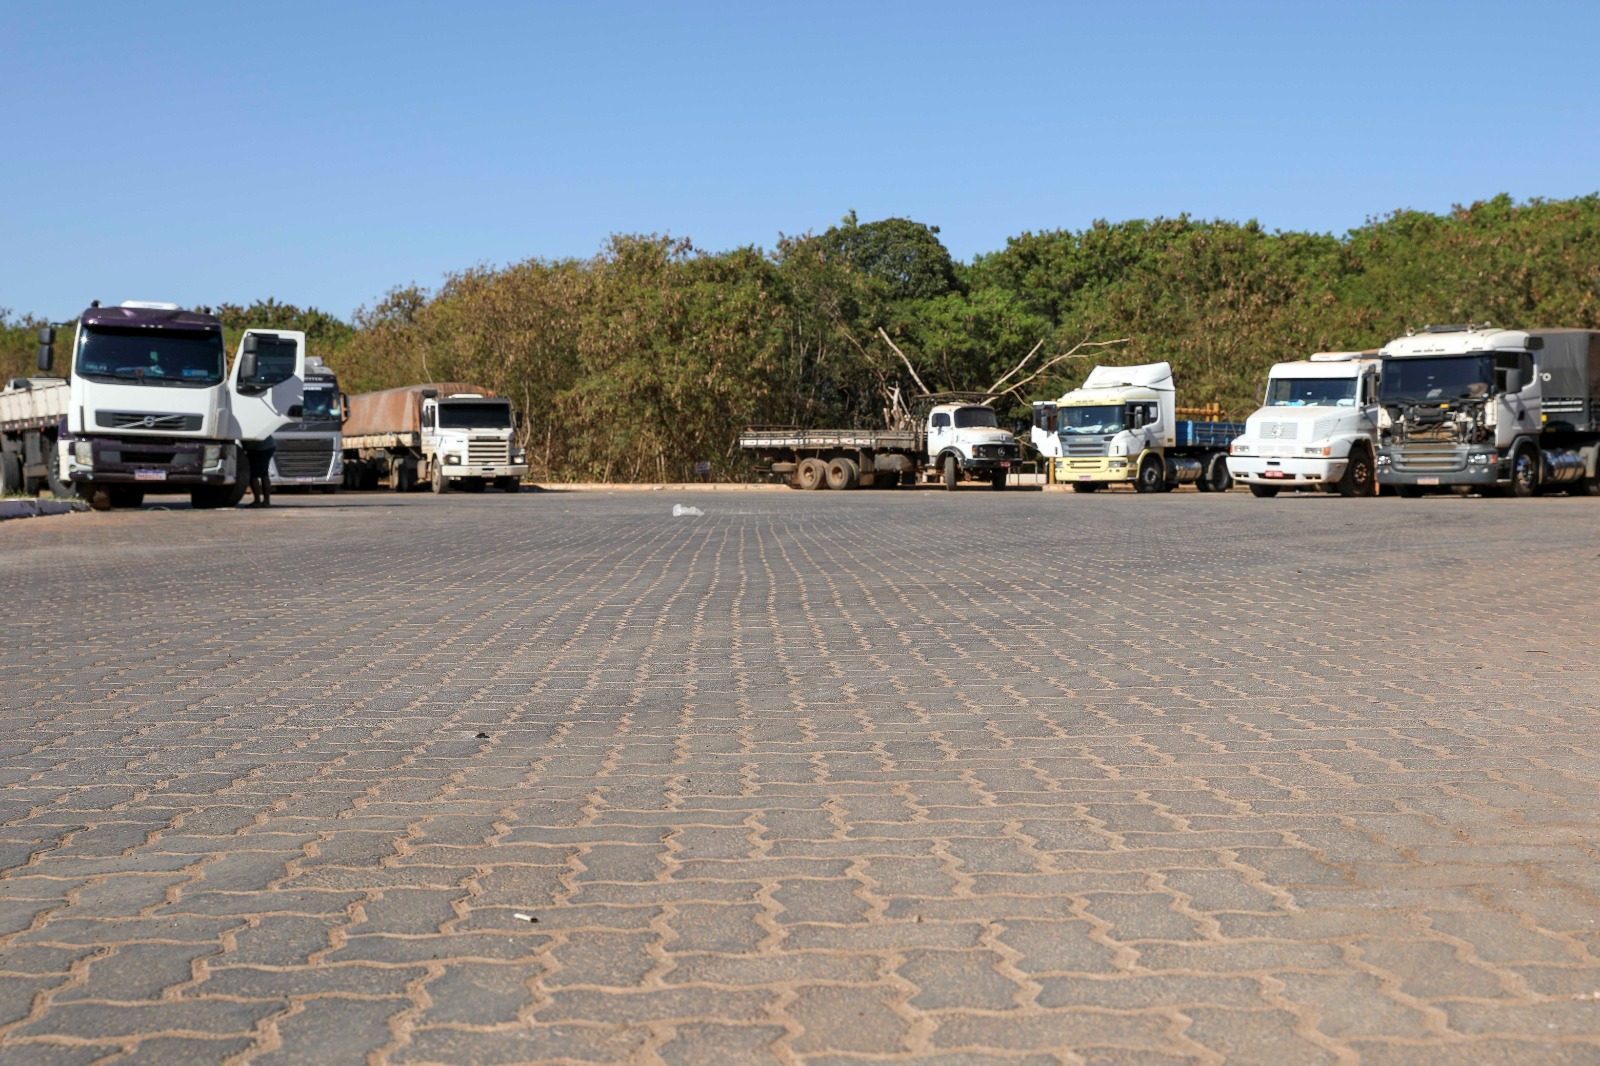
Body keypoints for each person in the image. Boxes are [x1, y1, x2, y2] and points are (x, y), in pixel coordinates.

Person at [240, 435, 277, 507]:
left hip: (257, 448)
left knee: (253, 475)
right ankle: (266, 501)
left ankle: (257, 501)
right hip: (269, 445)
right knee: (264, 473)